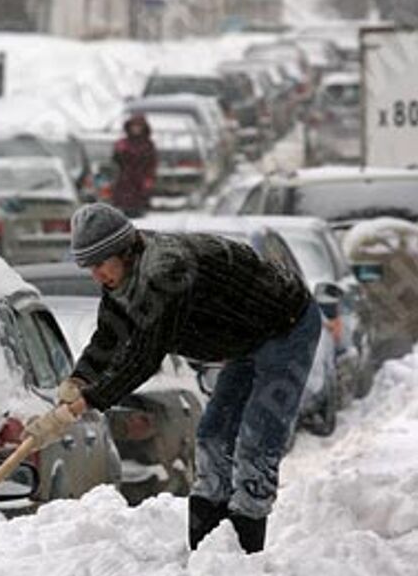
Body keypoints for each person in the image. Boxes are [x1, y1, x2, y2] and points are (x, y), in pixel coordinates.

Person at [26, 202, 322, 553]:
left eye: (99, 265)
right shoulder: (123, 276)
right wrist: (79, 379)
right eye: (88, 267)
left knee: (257, 442)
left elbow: (145, 355)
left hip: (287, 328)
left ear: (124, 250)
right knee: (213, 436)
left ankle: (246, 550)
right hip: (246, 341)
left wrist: (86, 403)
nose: (96, 276)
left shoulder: (167, 271)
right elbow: (110, 334)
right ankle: (206, 547)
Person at [110, 113, 157, 217]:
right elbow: (116, 162)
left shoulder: (148, 144)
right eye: (133, 126)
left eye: (138, 126)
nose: (136, 129)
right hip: (124, 181)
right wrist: (118, 151)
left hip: (140, 183)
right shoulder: (123, 143)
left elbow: (151, 164)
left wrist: (149, 180)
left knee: (138, 213)